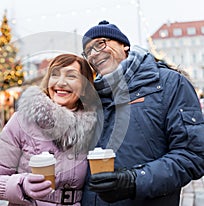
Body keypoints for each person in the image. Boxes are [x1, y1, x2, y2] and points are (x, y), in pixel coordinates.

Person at [80, 20, 204, 205]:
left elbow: (192, 154)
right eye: (88, 51)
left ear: (125, 46)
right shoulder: (92, 98)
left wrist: (134, 181)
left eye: (101, 43)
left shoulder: (169, 84)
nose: (94, 54)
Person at [0, 54, 102, 205]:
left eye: (71, 76)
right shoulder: (22, 121)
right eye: (55, 74)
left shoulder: (95, 127)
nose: (61, 82)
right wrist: (22, 185)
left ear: (85, 88)